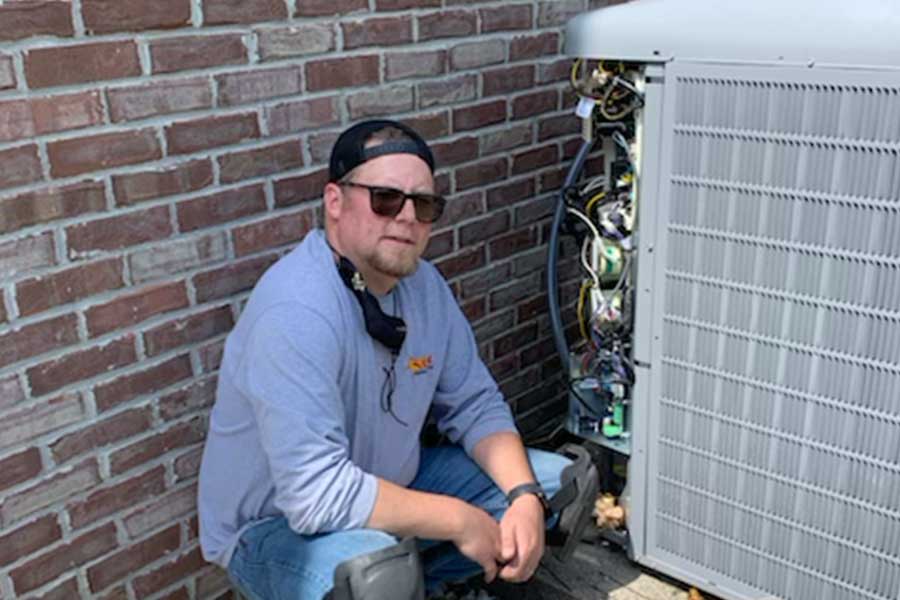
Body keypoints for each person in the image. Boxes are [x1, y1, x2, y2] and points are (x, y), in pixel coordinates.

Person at [198, 119, 571, 600]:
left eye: (424, 204)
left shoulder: (424, 287)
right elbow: (315, 496)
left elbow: (475, 404)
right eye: (385, 198)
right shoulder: (296, 309)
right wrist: (458, 519)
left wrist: (524, 496)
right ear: (335, 202)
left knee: (555, 487)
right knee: (376, 576)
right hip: (274, 528)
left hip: (390, 482)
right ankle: (405, 581)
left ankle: (424, 582)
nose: (407, 217)